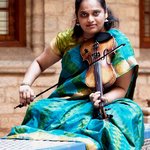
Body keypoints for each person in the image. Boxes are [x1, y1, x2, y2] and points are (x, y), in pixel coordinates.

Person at [6, 0, 144, 149]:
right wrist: (26, 84)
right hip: (69, 101)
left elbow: (122, 89)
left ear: (105, 14)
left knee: (125, 115)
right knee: (37, 108)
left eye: (96, 13)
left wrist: (104, 98)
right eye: (84, 15)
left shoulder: (118, 42)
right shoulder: (67, 39)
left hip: (109, 102)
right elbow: (39, 63)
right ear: (77, 18)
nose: (90, 19)